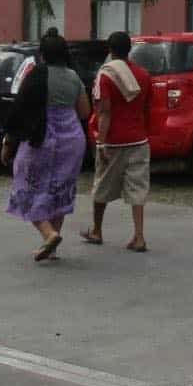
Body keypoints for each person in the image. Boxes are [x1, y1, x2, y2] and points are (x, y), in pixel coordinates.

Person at [3, 31, 90, 262]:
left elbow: (19, 110)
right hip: (71, 138)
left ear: (42, 54)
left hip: (42, 138)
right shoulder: (74, 77)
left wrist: (8, 144)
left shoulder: (36, 74)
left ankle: (49, 234)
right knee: (59, 191)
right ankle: (52, 244)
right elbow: (85, 112)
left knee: (26, 186)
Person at [81, 30, 154, 253]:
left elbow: (104, 112)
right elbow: (147, 108)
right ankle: (139, 236)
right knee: (138, 189)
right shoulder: (143, 75)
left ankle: (97, 230)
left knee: (102, 185)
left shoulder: (106, 75)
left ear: (110, 51)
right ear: (129, 49)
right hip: (139, 139)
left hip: (113, 141)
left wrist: (100, 143)